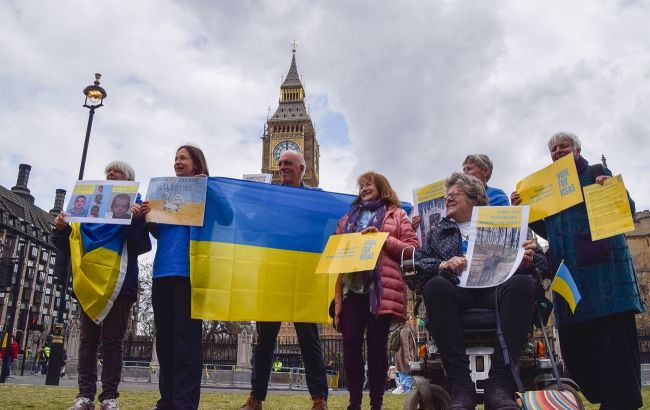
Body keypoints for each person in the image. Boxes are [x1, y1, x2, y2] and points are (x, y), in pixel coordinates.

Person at [511, 131, 644, 409]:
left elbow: (627, 212)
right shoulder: (552, 188)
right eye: (553, 149)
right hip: (569, 279)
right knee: (574, 353)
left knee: (615, 352)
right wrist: (525, 210)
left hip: (605, 281)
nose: (558, 152)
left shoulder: (596, 171)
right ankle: (608, 397)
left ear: (578, 150)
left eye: (564, 146)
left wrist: (613, 189)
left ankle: (620, 403)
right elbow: (551, 230)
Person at [414, 172, 537, 410]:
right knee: (435, 286)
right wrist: (443, 264)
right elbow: (420, 262)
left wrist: (528, 259)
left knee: (523, 284)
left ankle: (499, 384)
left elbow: (541, 263)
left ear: (473, 198)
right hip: (457, 290)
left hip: (496, 288)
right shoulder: (439, 230)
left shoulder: (505, 223)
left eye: (453, 195)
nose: (447, 199)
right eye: (446, 195)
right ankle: (461, 384)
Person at [54, 160, 151, 410]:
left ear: (128, 183)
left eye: (117, 174)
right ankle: (84, 396)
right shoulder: (87, 211)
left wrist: (134, 221)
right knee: (87, 341)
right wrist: (62, 229)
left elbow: (141, 246)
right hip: (90, 282)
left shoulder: (137, 209)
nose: (111, 175)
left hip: (119, 284)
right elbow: (69, 245)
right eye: (108, 173)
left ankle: (109, 397)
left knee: (112, 342)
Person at [241, 151, 330, 410]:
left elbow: (340, 219)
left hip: (302, 276)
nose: (282, 168)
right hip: (273, 274)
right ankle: (256, 398)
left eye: (287, 164)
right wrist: (249, 201)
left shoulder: (316, 198)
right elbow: (251, 230)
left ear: (303, 168)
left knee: (309, 340)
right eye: (279, 164)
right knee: (264, 341)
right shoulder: (269, 197)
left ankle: (319, 399)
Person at [332, 171, 419, 410]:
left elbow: (412, 249)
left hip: (381, 291)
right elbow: (337, 253)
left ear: (381, 186)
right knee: (350, 344)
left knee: (377, 347)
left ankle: (376, 404)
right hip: (353, 289)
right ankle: (354, 403)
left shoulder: (398, 214)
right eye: (360, 185)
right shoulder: (347, 218)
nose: (363, 188)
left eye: (368, 184)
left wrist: (382, 239)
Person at [141, 145, 209, 410]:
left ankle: (185, 403)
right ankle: (166, 401)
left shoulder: (205, 190)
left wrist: (208, 189)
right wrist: (148, 218)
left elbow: (225, 216)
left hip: (189, 273)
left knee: (187, 341)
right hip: (162, 271)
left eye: (183, 158)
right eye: (175, 158)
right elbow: (161, 233)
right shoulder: (163, 193)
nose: (177, 162)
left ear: (196, 163)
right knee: (166, 340)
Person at [392, 314, 416, 395]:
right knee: (411, 374)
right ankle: (401, 387)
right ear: (406, 320)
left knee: (403, 375)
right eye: (411, 319)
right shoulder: (405, 330)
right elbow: (405, 344)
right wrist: (407, 358)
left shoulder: (404, 329)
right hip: (403, 356)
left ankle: (405, 392)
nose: (412, 320)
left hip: (400, 355)